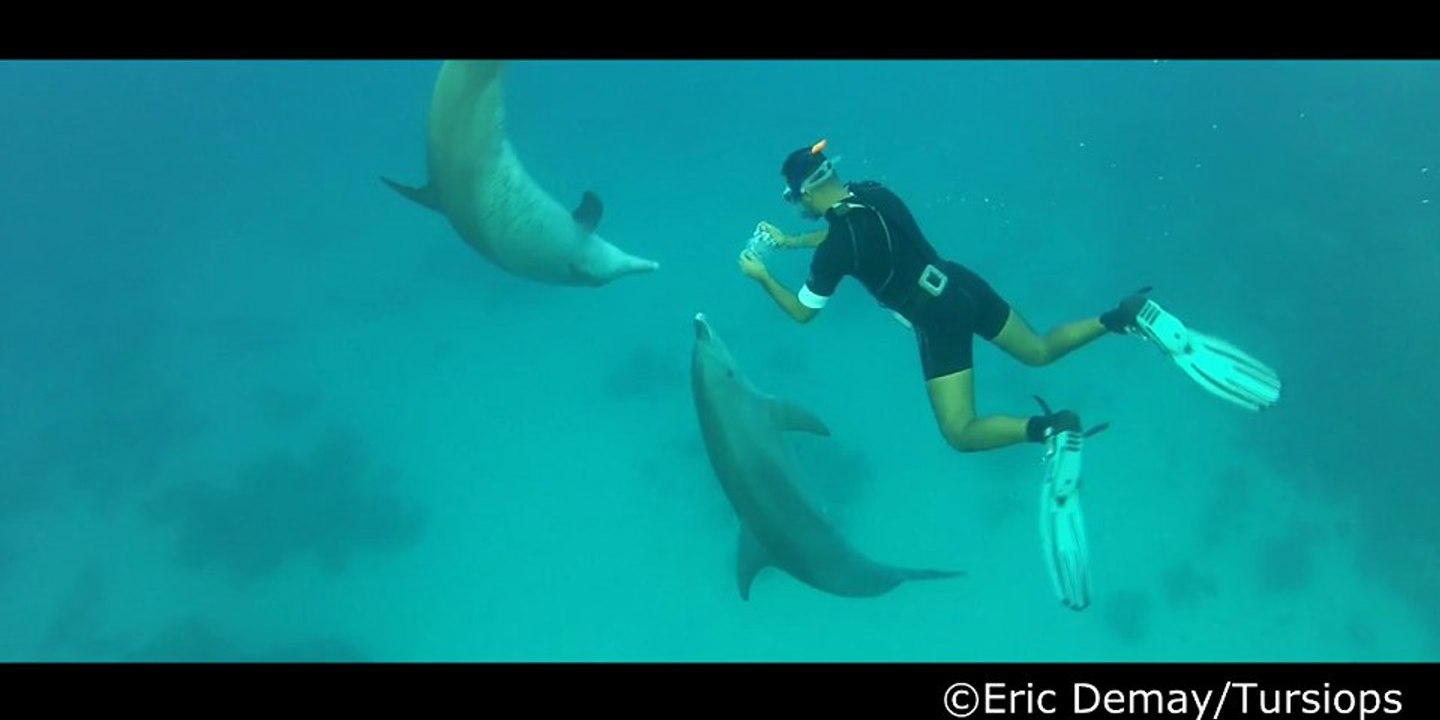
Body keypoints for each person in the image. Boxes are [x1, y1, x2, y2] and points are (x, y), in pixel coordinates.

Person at [738, 139, 1154, 452]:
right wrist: (792, 242)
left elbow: (803, 311)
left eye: (793, 199)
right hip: (960, 282)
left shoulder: (835, 251)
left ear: (805, 194)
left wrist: (761, 276)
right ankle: (1121, 316)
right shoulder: (873, 191)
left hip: (937, 318)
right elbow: (850, 229)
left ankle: (1051, 429)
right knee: (1040, 350)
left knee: (960, 432)